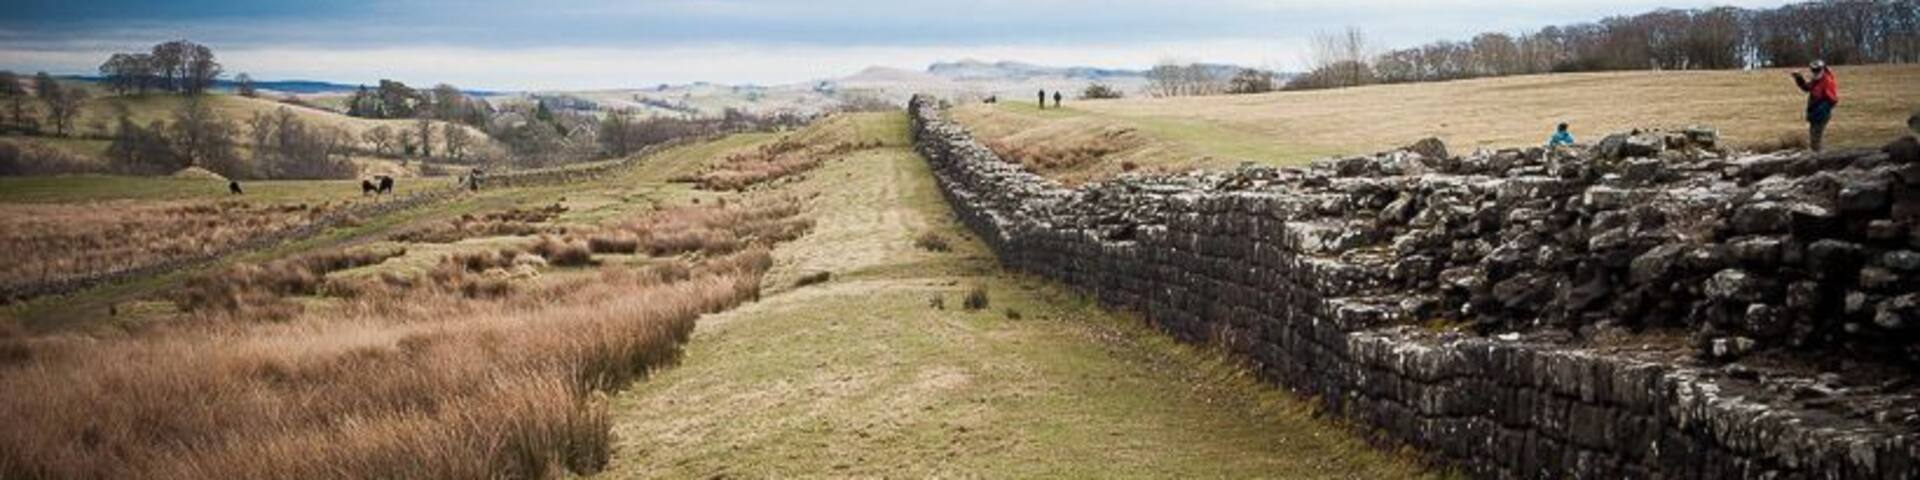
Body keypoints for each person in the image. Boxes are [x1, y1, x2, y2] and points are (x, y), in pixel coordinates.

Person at [1791, 60, 1840, 152]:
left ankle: (1818, 159)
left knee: (1815, 139)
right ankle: (1817, 156)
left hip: (1821, 114)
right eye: (1813, 70)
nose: (1814, 72)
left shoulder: (1827, 81)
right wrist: (1798, 78)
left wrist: (1820, 111)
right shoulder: (1817, 80)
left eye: (1817, 70)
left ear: (1822, 69)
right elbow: (1807, 87)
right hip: (1814, 114)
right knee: (1814, 139)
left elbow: (1833, 100)